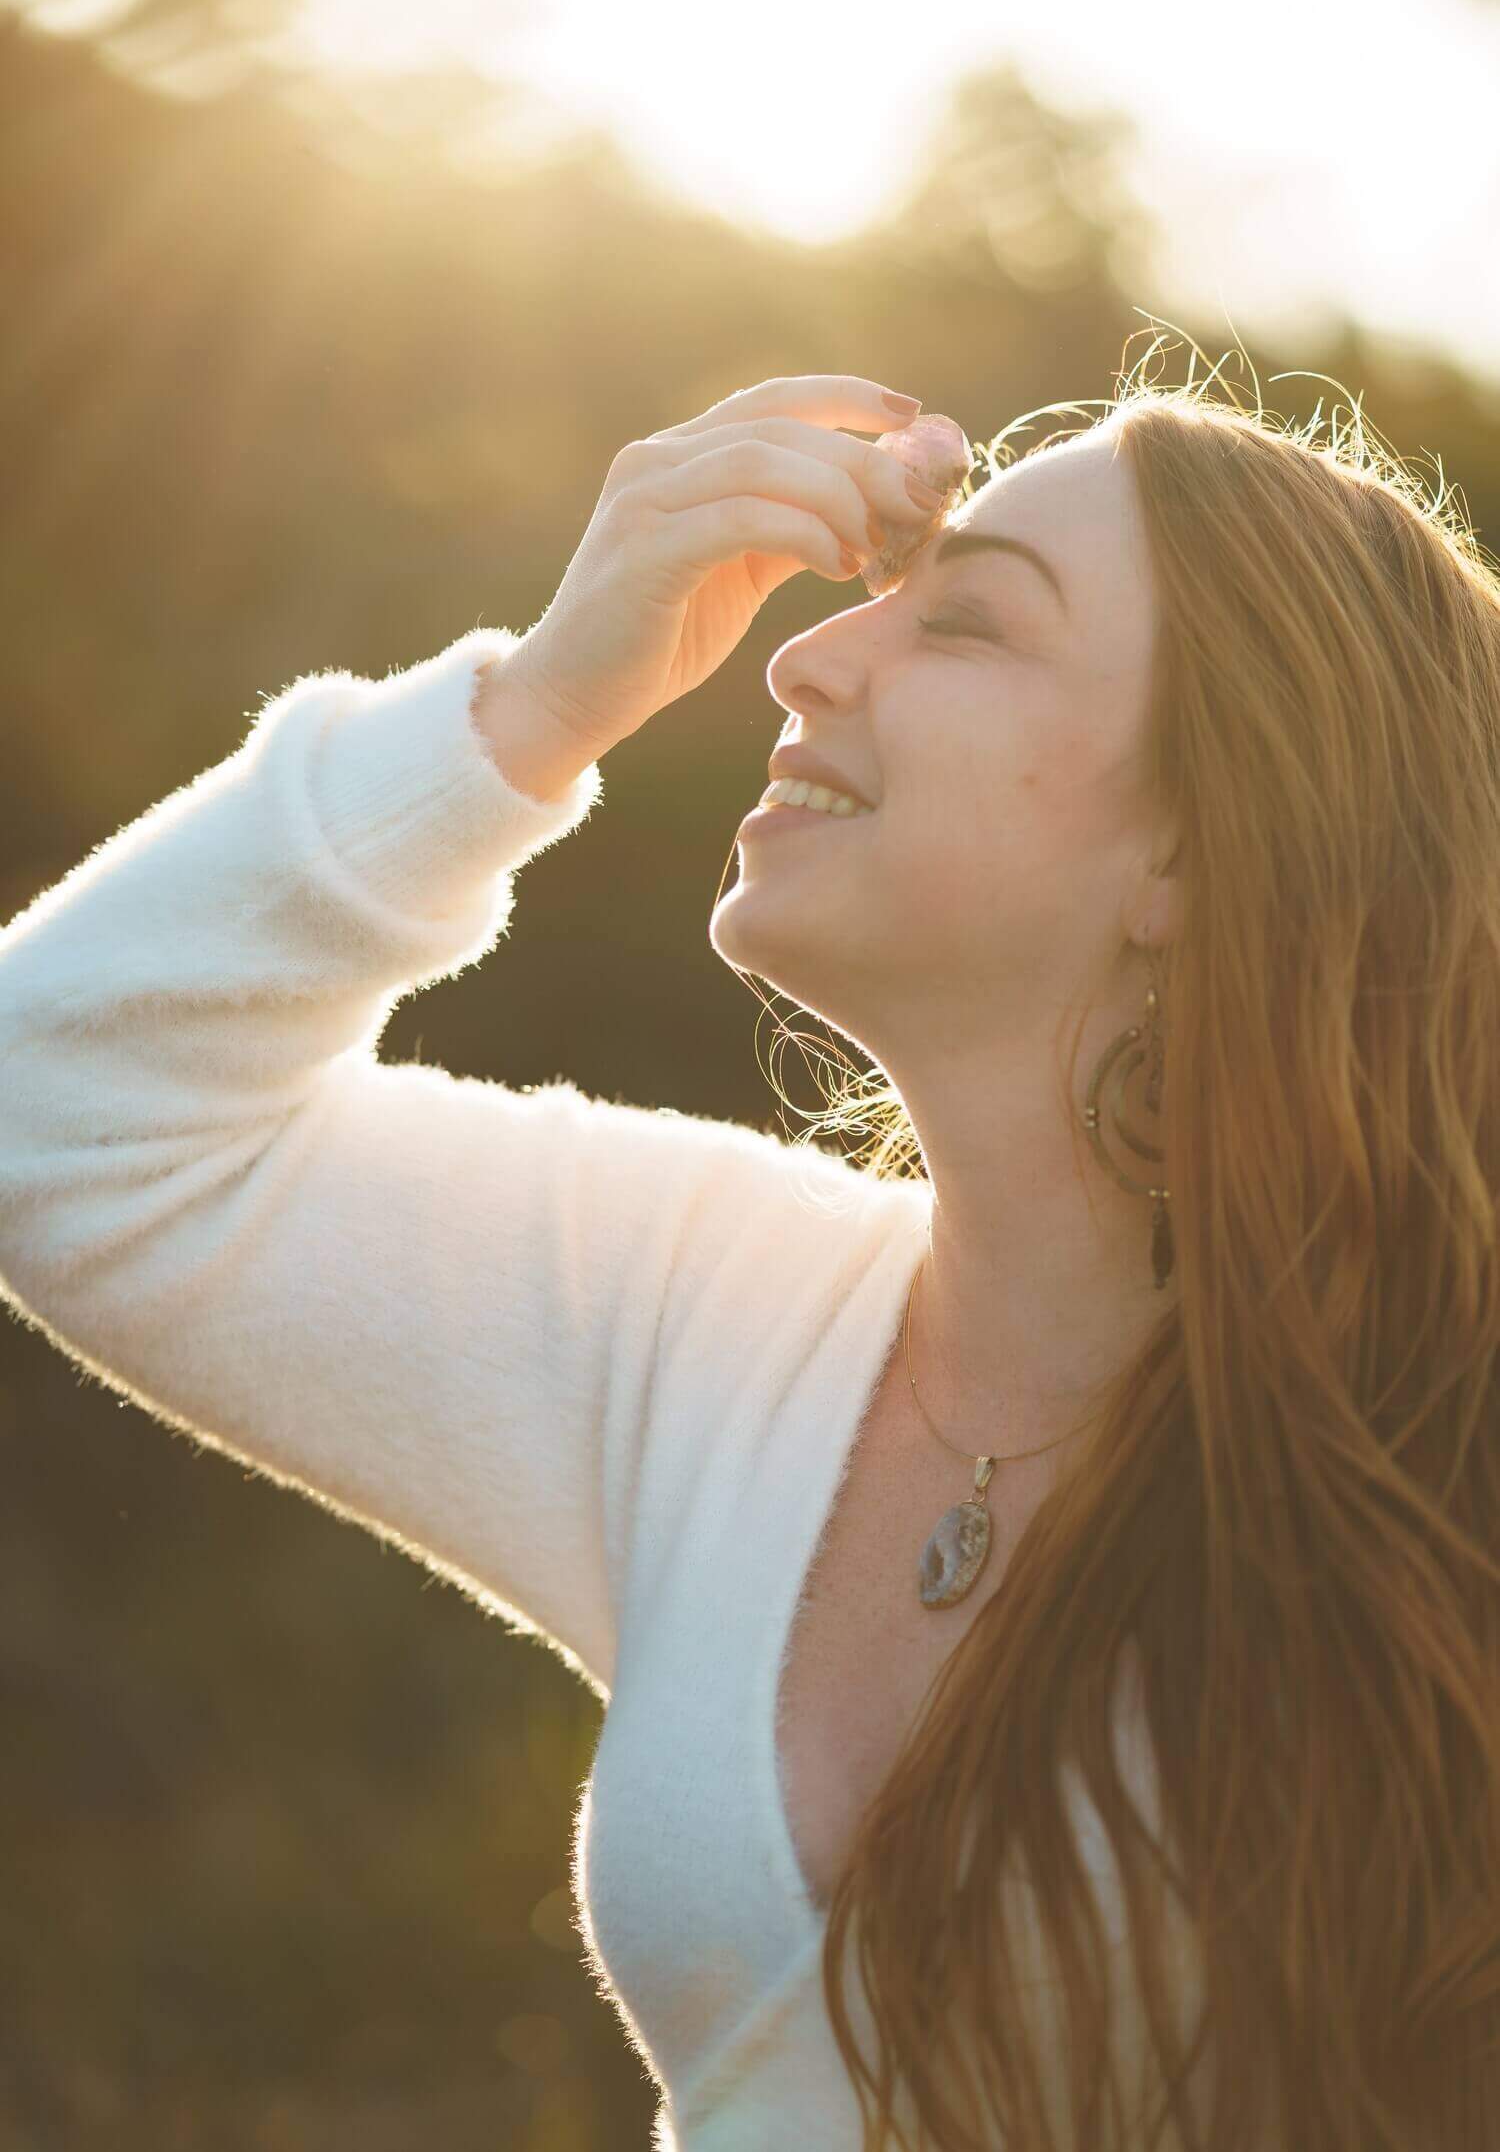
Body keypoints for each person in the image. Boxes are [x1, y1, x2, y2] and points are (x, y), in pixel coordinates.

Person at [0, 364, 1495, 2152]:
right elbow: (59, 1103)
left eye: (973, 629)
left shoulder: (1443, 1447)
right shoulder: (714, 1317)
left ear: (1200, 836)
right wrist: (541, 700)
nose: (804, 658)